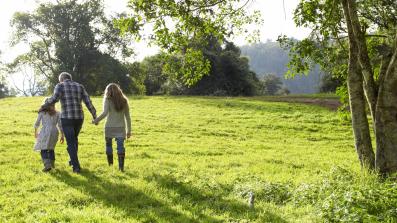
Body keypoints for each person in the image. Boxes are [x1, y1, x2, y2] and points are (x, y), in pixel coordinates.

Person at [42, 72, 96, 173]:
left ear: (61, 79)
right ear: (69, 78)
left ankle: (76, 167)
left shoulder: (60, 85)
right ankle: (72, 160)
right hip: (79, 118)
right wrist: (94, 115)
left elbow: (55, 99)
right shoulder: (80, 86)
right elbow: (88, 101)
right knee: (74, 140)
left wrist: (45, 104)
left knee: (71, 142)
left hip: (67, 118)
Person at [93, 83, 131, 172]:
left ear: (108, 91)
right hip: (121, 128)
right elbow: (127, 117)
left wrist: (96, 120)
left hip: (109, 127)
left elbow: (105, 113)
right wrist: (129, 131)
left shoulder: (108, 100)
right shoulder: (124, 100)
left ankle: (110, 166)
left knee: (108, 145)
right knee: (120, 147)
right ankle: (121, 168)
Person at [34, 98, 64, 172]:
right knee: (51, 148)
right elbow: (60, 125)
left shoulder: (42, 112)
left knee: (43, 148)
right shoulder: (58, 113)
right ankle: (52, 165)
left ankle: (47, 165)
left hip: (45, 131)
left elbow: (37, 123)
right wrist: (62, 135)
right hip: (54, 131)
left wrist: (35, 132)